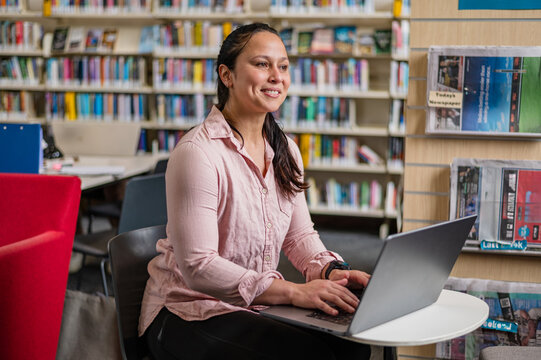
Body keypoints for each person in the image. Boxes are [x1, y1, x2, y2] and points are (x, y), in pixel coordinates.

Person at [139, 23, 371, 360]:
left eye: (283, 66)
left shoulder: (286, 151)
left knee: (352, 348)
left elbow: (299, 237)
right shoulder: (198, 153)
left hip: (252, 305)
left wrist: (334, 272)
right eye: (262, 64)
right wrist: (293, 292)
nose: (277, 76)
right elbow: (199, 267)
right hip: (186, 314)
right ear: (227, 75)